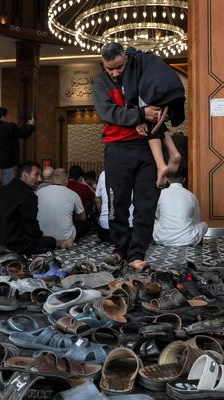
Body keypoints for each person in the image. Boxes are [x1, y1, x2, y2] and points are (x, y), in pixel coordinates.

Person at [93, 42, 163, 270]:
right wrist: (140, 115)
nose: (114, 73)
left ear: (126, 58)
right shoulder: (100, 81)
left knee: (146, 205)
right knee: (116, 203)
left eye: (119, 67)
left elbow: (158, 106)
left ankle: (137, 254)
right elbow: (108, 112)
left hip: (146, 148)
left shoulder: (141, 74)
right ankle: (120, 248)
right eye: (109, 68)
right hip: (116, 149)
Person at [119, 44, 184, 188]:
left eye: (119, 68)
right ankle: (173, 153)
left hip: (158, 91)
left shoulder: (131, 63)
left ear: (125, 58)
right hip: (175, 89)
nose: (117, 72)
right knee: (157, 120)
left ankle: (161, 165)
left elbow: (131, 92)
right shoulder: (147, 57)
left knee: (149, 118)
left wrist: (138, 117)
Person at [0, 161, 57, 255]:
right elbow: (31, 228)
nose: (39, 179)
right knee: (51, 241)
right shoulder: (28, 194)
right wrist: (42, 236)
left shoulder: (1, 190)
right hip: (12, 246)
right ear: (25, 175)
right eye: (36, 174)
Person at [153, 173, 208, 246]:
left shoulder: (160, 194)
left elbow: (157, 214)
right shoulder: (191, 196)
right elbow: (197, 219)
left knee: (153, 221)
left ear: (167, 180)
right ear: (184, 180)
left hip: (162, 238)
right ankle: (196, 240)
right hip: (188, 239)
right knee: (204, 225)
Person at [37, 168, 86, 248]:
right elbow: (82, 218)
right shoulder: (73, 194)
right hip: (65, 238)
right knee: (85, 224)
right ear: (67, 181)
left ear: (51, 180)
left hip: (42, 236)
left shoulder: (39, 192)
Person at [0, 107, 35, 185]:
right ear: (2, 117)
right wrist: (30, 126)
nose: (7, 118)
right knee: (7, 188)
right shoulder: (9, 127)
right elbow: (22, 133)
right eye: (6, 116)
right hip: (7, 163)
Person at [94, 170, 134, 243]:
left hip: (106, 232)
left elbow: (97, 199)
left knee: (98, 219)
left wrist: (102, 214)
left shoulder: (104, 174)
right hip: (129, 232)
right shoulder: (134, 173)